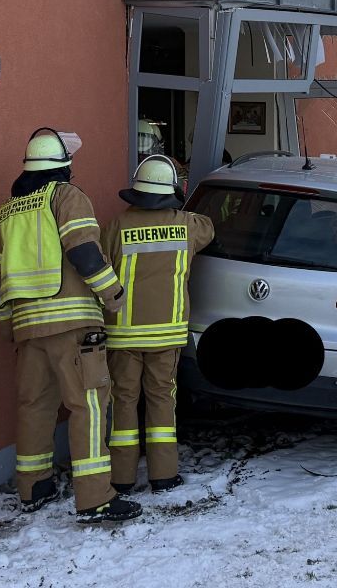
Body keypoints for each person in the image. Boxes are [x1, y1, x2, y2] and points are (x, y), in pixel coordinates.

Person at [0, 128, 141, 524]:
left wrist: (8, 325)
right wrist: (115, 297)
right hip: (72, 325)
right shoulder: (68, 197)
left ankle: (33, 486)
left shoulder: (7, 211)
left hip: (27, 328)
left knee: (34, 405)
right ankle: (94, 497)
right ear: (64, 168)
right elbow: (85, 252)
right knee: (88, 404)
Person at [101, 155, 215, 496]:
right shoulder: (188, 225)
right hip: (167, 333)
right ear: (170, 193)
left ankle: (120, 477)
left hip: (122, 334)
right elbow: (210, 227)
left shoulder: (116, 226)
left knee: (123, 401)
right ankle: (163, 475)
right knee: (162, 400)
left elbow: (99, 268)